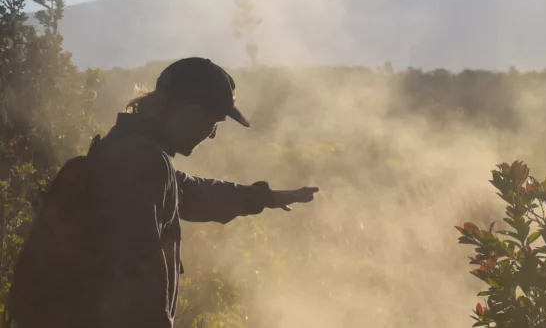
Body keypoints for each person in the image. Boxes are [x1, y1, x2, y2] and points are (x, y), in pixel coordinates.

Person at [7, 57, 319, 328]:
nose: (211, 135)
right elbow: (135, 277)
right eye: (213, 122)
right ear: (192, 112)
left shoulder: (127, 149)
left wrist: (266, 197)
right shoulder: (144, 162)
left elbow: (191, 193)